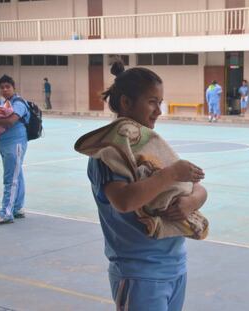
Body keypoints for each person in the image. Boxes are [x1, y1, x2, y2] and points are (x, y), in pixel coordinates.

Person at [75, 61, 207, 310]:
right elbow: (124, 201)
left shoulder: (151, 146)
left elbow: (195, 187)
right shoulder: (109, 153)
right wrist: (169, 175)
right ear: (126, 102)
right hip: (139, 271)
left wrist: (191, 201)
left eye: (160, 102)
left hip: (175, 264)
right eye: (152, 102)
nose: (159, 110)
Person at [0, 75, 30, 225]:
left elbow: (10, 121)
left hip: (15, 143)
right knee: (17, 174)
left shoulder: (18, 103)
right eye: (2, 87)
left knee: (11, 178)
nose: (4, 89)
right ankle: (16, 208)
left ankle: (6, 213)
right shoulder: (5, 104)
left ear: (13, 87)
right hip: (6, 144)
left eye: (7, 87)